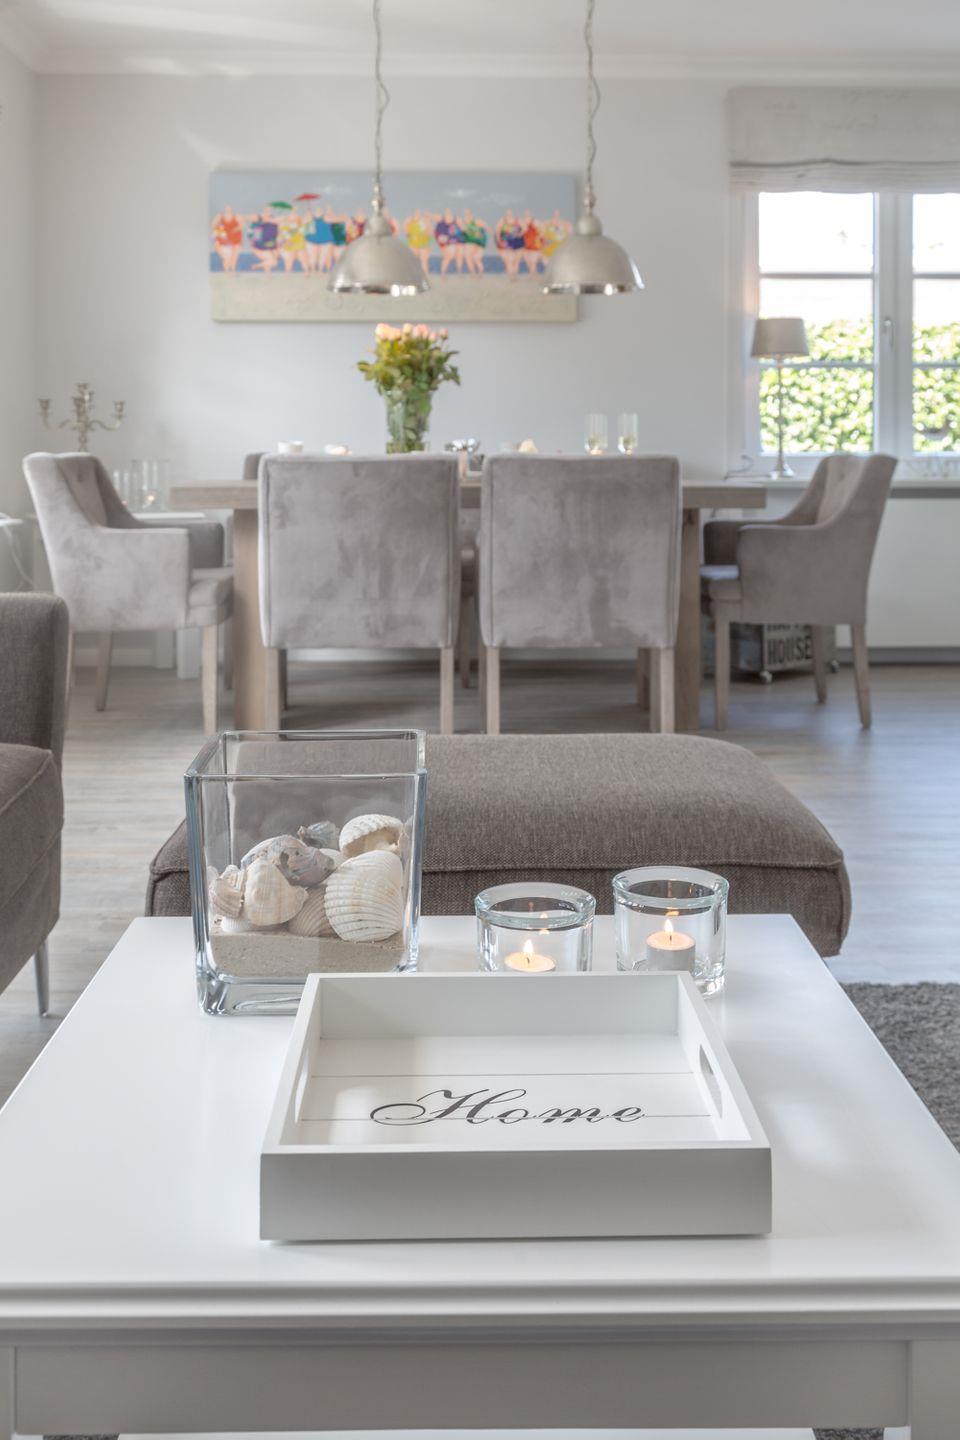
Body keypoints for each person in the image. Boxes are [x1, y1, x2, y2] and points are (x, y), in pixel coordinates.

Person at [211, 203, 244, 272]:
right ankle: (227, 271)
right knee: (226, 258)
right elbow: (213, 226)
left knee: (234, 257)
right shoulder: (219, 217)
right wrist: (220, 230)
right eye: (226, 208)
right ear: (224, 209)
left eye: (229, 208)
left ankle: (232, 270)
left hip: (235, 239)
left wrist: (236, 229)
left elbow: (241, 226)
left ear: (231, 209)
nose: (228, 209)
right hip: (223, 240)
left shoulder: (237, 217)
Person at [247, 208, 280, 272]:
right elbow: (254, 238)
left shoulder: (273, 225)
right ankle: (256, 266)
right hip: (262, 246)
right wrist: (253, 247)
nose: (266, 218)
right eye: (264, 216)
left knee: (272, 262)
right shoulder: (258, 225)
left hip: (272, 246)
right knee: (273, 262)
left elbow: (277, 234)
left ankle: (266, 273)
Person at [495, 208, 524, 279]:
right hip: (507, 242)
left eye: (510, 213)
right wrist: (499, 240)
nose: (509, 214)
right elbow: (497, 230)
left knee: (516, 261)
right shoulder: (502, 220)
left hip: (518, 242)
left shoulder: (517, 220)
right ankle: (511, 276)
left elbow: (524, 228)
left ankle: (514, 275)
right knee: (509, 260)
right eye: (508, 213)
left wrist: (520, 234)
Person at [404, 208, 434, 276]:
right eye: (417, 212)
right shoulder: (410, 220)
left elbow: (430, 233)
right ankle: (413, 275)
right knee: (413, 260)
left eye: (420, 212)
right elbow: (407, 233)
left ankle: (426, 275)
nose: (418, 213)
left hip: (423, 243)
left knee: (424, 260)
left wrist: (430, 244)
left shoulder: (426, 221)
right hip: (413, 243)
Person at [435, 207, 464, 276]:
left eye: (449, 211)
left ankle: (459, 271)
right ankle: (443, 273)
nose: (448, 213)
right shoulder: (441, 221)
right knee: (448, 256)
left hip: (458, 240)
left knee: (459, 256)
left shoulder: (457, 219)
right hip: (448, 242)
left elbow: (463, 229)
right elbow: (438, 233)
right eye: (446, 211)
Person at [279, 208, 309, 272]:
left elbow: (303, 233)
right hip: (290, 245)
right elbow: (284, 235)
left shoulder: (301, 226)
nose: (294, 218)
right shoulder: (285, 226)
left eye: (295, 217)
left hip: (299, 245)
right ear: (289, 218)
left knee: (303, 259)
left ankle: (306, 273)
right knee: (289, 261)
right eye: (291, 217)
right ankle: (287, 273)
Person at [460, 208, 489, 276]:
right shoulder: (468, 222)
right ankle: (477, 272)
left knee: (469, 258)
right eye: (466, 214)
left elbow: (486, 228)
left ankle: (475, 273)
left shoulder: (473, 221)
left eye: (467, 214)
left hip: (472, 242)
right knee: (473, 258)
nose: (467, 215)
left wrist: (480, 235)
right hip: (475, 242)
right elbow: (486, 228)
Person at [306, 204, 334, 272]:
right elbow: (307, 229)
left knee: (323, 256)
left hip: (325, 240)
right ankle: (313, 269)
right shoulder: (310, 219)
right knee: (313, 256)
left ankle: (320, 270)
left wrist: (329, 211)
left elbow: (331, 221)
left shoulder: (327, 218)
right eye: (317, 210)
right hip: (312, 240)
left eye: (320, 210)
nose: (318, 211)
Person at [521, 209, 544, 275]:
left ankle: (534, 275)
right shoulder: (522, 222)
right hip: (526, 245)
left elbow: (542, 230)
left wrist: (539, 237)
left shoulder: (535, 221)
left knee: (533, 262)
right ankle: (534, 275)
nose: (527, 214)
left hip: (534, 245)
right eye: (525, 213)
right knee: (528, 262)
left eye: (528, 213)